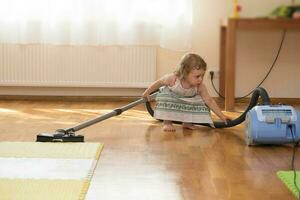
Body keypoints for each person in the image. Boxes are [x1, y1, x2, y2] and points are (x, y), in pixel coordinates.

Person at [142, 53, 230, 132]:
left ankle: (187, 122)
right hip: (172, 99)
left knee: (197, 101)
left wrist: (221, 116)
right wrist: (147, 92)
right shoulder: (173, 79)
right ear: (184, 73)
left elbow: (209, 101)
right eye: (197, 76)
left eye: (202, 76)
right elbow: (159, 82)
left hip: (185, 101)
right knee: (166, 96)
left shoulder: (200, 86)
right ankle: (167, 122)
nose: (200, 79)